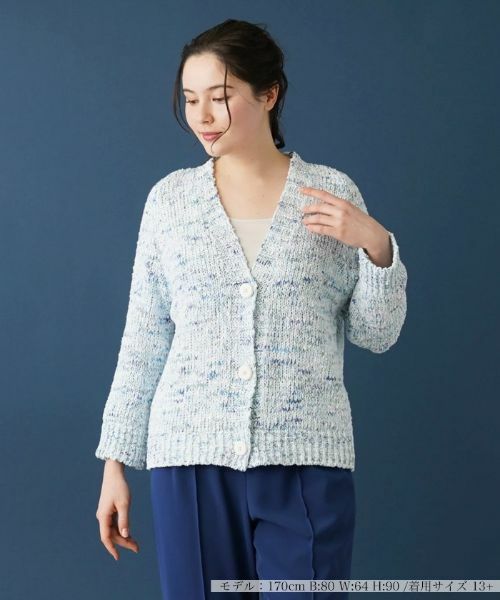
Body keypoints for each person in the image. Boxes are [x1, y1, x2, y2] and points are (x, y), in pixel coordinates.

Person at [94, 18, 408, 600]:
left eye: (220, 96)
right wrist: (115, 463)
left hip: (306, 458)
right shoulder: (170, 202)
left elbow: (377, 333)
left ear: (269, 94)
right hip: (189, 458)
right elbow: (144, 337)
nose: (202, 116)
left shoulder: (331, 193)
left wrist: (377, 246)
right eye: (191, 99)